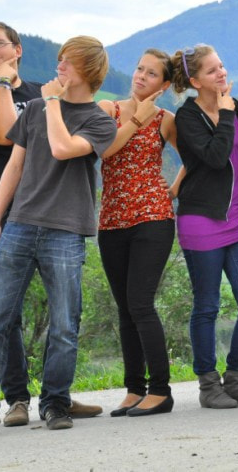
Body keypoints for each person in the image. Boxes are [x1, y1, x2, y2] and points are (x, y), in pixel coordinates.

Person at [0, 36, 117, 441]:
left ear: (88, 71)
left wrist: (53, 102)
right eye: (60, 59)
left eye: (68, 62)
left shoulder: (99, 120)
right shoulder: (38, 109)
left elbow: (62, 148)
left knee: (64, 325)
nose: (59, 67)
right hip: (20, 224)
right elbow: (14, 165)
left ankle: (55, 402)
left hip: (66, 231)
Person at [171, 44, 238, 409]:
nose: (222, 73)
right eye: (212, 70)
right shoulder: (187, 117)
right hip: (201, 222)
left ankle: (236, 378)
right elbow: (215, 157)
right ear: (196, 81)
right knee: (207, 306)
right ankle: (208, 385)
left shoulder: (235, 107)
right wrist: (225, 115)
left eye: (222, 66)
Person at [97, 49, 180, 417]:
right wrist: (135, 119)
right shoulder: (107, 110)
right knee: (125, 309)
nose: (141, 77)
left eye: (151, 74)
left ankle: (160, 391)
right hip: (111, 221)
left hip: (153, 218)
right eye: (139, 69)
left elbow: (194, 159)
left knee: (141, 303)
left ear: (164, 84)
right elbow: (105, 150)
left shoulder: (166, 120)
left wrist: (171, 190)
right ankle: (134, 389)